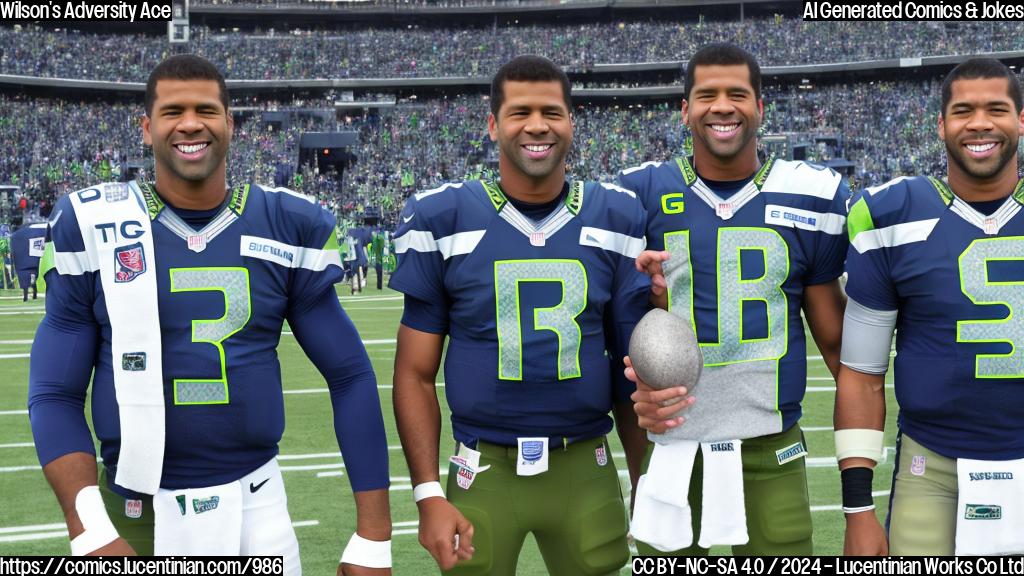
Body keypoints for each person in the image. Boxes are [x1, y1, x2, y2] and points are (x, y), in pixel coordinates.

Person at [28, 55, 392, 575]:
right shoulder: (93, 223)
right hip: (133, 511)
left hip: (257, 504)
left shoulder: (289, 223)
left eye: (206, 109)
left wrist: (374, 536)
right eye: (173, 110)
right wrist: (89, 527)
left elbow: (351, 375)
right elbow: (54, 392)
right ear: (147, 127)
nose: (191, 123)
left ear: (230, 124)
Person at [390, 55, 650, 575]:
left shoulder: (617, 215)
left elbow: (631, 371)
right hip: (482, 466)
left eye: (552, 112)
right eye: (519, 112)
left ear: (571, 122)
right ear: (493, 125)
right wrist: (425, 494)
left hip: (585, 464)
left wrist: (647, 480)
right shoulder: (442, 216)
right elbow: (414, 374)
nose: (537, 125)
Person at [619, 43, 848, 555]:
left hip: (772, 447)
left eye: (738, 94)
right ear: (685, 110)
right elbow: (621, 333)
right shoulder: (640, 194)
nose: (722, 106)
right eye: (707, 95)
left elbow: (836, 343)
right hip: (674, 443)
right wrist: (650, 297)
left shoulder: (810, 193)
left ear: (760, 107)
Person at [838, 57, 1024, 556]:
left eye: (997, 109)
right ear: (941, 125)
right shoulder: (890, 215)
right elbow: (861, 372)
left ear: (1021, 120)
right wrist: (858, 510)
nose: (980, 122)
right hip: (932, 466)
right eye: (963, 110)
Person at [11, 222, 47, 301]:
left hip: (25, 265)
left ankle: (28, 296)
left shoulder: (17, 236)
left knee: (27, 282)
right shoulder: (20, 235)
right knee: (32, 281)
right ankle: (32, 295)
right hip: (31, 264)